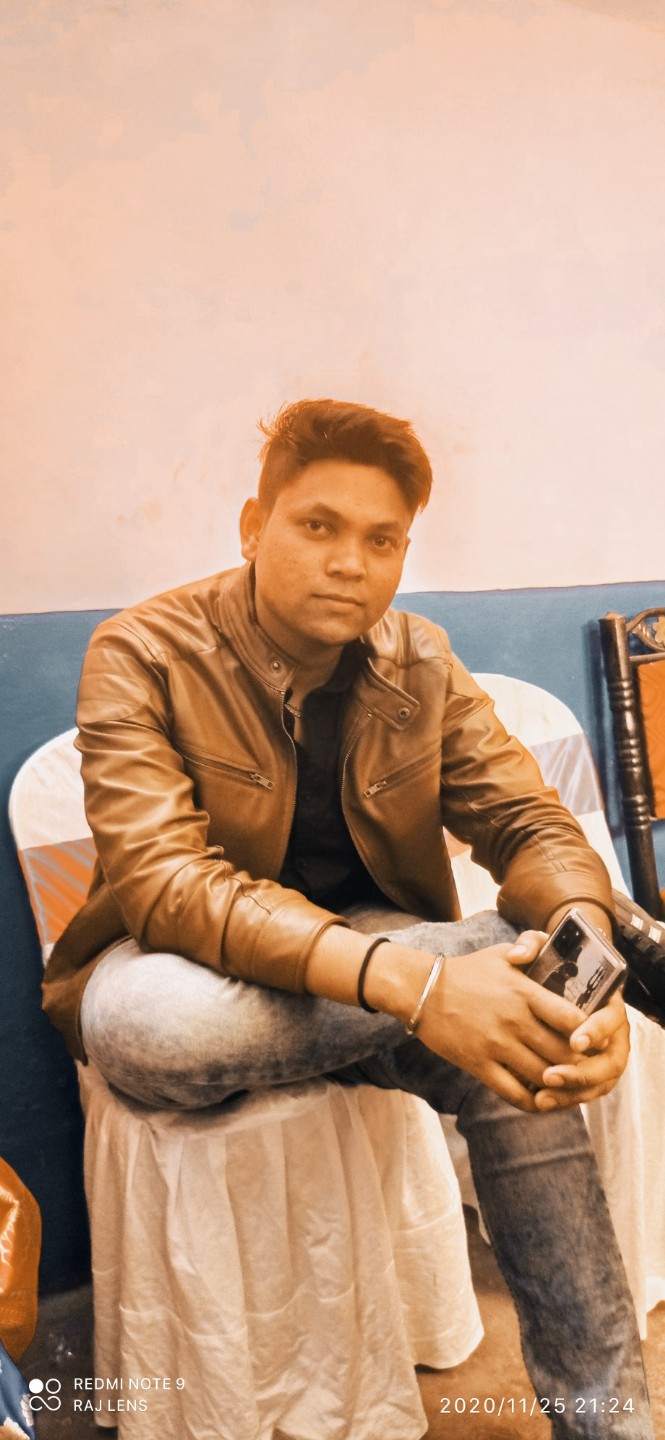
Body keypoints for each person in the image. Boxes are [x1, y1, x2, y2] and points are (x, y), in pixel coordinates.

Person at [42, 399, 652, 1437]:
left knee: (515, 1038)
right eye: (316, 526)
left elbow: (528, 822)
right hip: (185, 966)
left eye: (380, 540)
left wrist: (580, 963)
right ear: (253, 525)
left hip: (377, 957)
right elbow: (167, 887)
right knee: (147, 1029)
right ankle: (563, 958)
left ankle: (609, 1423)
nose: (347, 563)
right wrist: (424, 982)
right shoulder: (141, 649)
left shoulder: (419, 659)